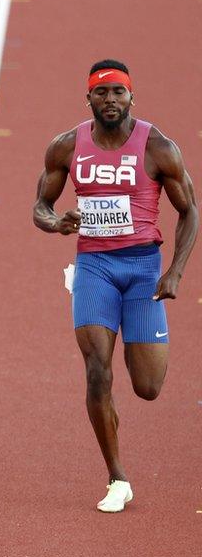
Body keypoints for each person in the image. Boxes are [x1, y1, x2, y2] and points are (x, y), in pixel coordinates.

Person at [33, 59, 198, 512]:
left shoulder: (159, 147)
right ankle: (117, 477)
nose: (110, 100)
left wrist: (175, 272)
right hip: (94, 268)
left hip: (144, 269)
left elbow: (190, 210)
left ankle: (129, 364)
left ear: (131, 97)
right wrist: (59, 224)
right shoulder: (67, 146)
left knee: (147, 386)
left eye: (118, 93)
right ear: (88, 98)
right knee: (96, 370)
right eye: (101, 93)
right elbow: (41, 208)